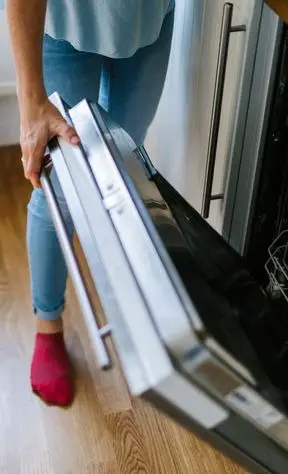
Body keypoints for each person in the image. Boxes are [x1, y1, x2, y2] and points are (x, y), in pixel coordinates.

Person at [4, 0, 175, 407]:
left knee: (125, 161)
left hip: (150, 18)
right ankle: (48, 324)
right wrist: (30, 101)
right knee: (57, 188)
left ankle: (127, 300)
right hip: (66, 22)